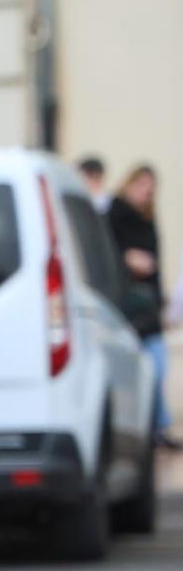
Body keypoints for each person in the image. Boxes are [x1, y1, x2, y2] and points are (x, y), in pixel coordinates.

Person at [107, 164, 173, 447]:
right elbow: (106, 257)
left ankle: (158, 427)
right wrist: (127, 259)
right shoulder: (114, 215)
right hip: (125, 307)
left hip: (149, 308)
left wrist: (162, 304)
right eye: (142, 185)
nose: (146, 191)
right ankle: (149, 428)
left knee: (157, 367)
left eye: (151, 187)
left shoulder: (148, 219)